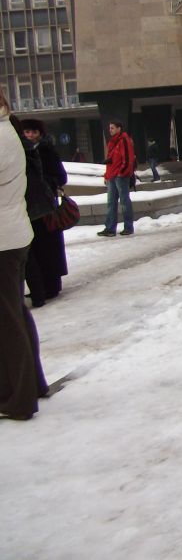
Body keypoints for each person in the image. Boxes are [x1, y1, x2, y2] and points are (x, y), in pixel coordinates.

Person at [0, 88, 48, 419]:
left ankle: (18, 399)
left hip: (3, 239)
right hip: (12, 234)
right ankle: (33, 384)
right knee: (14, 312)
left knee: (6, 320)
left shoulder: (1, 136)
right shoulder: (8, 131)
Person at [21, 119, 69, 307]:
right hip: (36, 204)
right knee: (40, 247)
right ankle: (42, 285)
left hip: (47, 205)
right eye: (27, 132)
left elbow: (61, 176)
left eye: (33, 132)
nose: (30, 135)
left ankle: (52, 284)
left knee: (48, 245)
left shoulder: (45, 150)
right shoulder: (27, 151)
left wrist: (46, 183)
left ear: (40, 133)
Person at [98, 118, 136, 237]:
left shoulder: (124, 140)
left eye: (112, 128)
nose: (110, 130)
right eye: (109, 128)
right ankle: (110, 228)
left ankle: (128, 227)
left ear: (119, 128)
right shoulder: (112, 142)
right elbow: (111, 160)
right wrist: (107, 175)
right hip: (112, 176)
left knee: (124, 202)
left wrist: (122, 173)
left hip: (120, 176)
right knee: (111, 203)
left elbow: (128, 159)